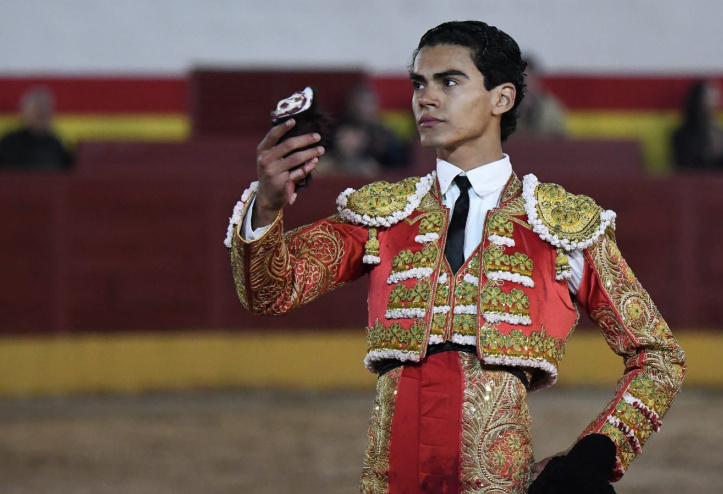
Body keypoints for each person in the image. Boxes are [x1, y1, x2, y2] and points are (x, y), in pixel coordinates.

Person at [225, 20, 685, 493]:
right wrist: (268, 206)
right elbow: (270, 291)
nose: (426, 97)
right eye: (418, 84)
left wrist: (599, 453)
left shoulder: (560, 225)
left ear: (500, 98)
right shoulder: (382, 214)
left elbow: (659, 356)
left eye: (449, 81)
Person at [323, 83, 409, 174]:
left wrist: (383, 147)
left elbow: (400, 165)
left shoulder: (383, 134)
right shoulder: (338, 129)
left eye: (369, 103)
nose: (365, 108)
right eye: (360, 102)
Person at [0, 87, 73, 170]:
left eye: (44, 111)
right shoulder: (9, 144)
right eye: (36, 111)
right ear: (25, 113)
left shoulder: (55, 145)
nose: (41, 115)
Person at [671, 79, 723, 171]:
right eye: (709, 98)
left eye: (716, 98)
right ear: (697, 100)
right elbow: (684, 167)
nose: (714, 103)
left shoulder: (722, 134)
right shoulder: (681, 135)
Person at [515, 55, 567, 137]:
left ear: (537, 81)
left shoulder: (550, 109)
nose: (523, 84)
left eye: (528, 78)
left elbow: (560, 140)